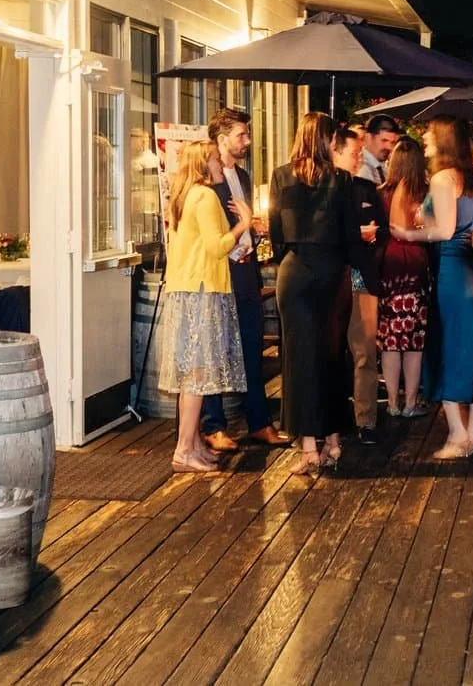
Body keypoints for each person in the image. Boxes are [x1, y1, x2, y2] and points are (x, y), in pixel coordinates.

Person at [271, 112, 376, 476]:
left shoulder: (281, 176)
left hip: (295, 272)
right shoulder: (342, 179)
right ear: (326, 140)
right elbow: (349, 236)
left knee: (299, 361)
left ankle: (309, 448)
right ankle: (333, 440)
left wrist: (292, 256)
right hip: (331, 272)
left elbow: (276, 233)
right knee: (331, 356)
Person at [156, 141, 249, 472]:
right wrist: (244, 224)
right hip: (203, 291)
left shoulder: (183, 197)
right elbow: (215, 246)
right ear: (203, 164)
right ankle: (184, 450)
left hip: (186, 289)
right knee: (197, 374)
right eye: (214, 159)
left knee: (190, 375)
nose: (219, 164)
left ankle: (193, 444)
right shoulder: (205, 196)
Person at [200, 108, 289, 451]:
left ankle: (259, 422)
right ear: (222, 139)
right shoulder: (208, 178)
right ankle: (213, 426)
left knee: (252, 345)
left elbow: (244, 221)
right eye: (242, 135)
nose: (247, 141)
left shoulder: (244, 175)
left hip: (248, 269)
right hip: (222, 270)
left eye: (247, 134)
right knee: (216, 346)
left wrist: (255, 229)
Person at [422, 116, 473, 459]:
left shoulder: (442, 178)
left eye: (429, 134)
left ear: (444, 140)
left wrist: (410, 231)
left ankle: (458, 434)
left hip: (452, 267)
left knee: (451, 346)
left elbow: (444, 230)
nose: (425, 138)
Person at [336, 126, 388, 445]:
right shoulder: (322, 189)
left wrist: (371, 237)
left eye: (359, 154)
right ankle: (334, 417)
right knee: (332, 354)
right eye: (354, 154)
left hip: (363, 280)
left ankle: (366, 419)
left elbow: (383, 232)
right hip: (332, 281)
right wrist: (357, 234)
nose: (358, 160)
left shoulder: (367, 189)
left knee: (366, 352)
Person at [376, 138, 432, 419]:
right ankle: (410, 402)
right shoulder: (422, 193)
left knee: (390, 338)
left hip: (389, 266)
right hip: (413, 264)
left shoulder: (381, 192)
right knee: (413, 340)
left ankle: (392, 402)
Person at [360, 114, 401, 184]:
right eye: (384, 140)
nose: (389, 147)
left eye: (392, 142)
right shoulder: (360, 169)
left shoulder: (384, 166)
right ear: (368, 138)